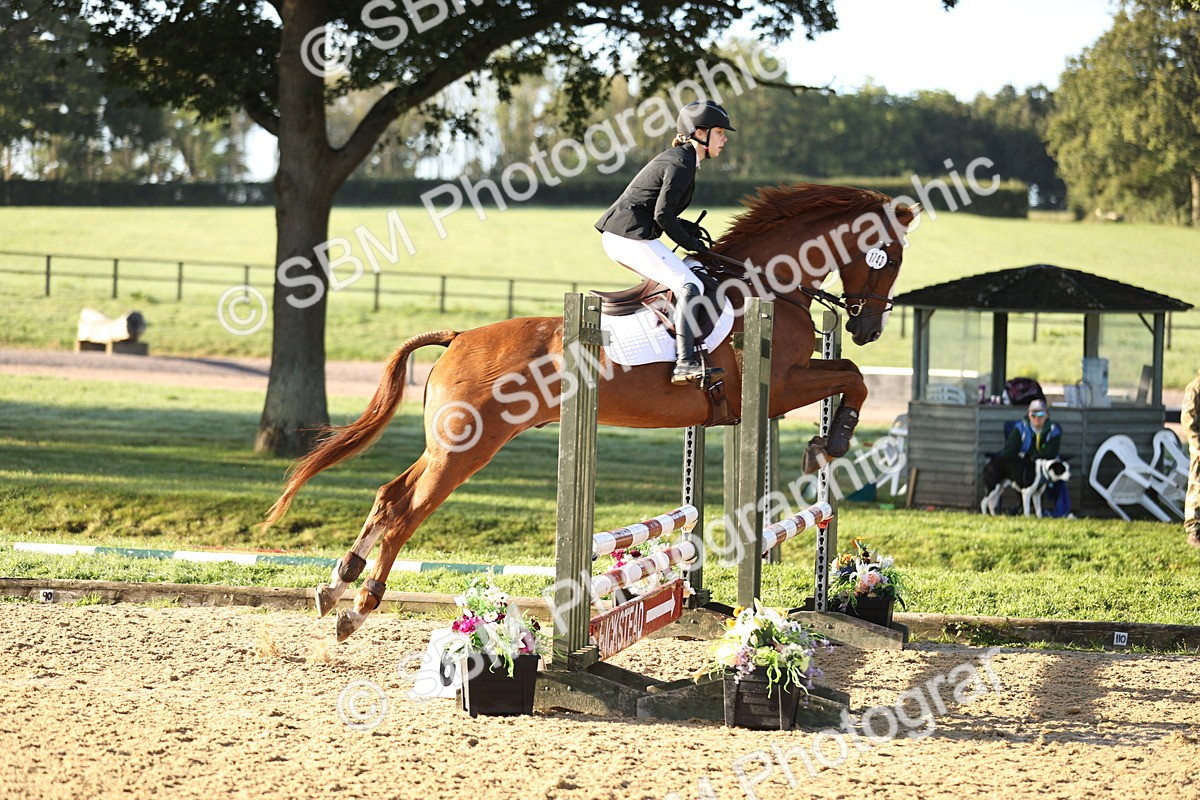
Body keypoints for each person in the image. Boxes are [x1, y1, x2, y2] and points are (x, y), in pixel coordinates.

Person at [595, 99, 733, 385]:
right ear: (699, 132)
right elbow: (663, 214)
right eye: (719, 132)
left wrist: (687, 231)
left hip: (630, 233)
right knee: (689, 284)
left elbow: (660, 212)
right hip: (626, 236)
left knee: (688, 279)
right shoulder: (681, 163)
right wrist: (692, 244)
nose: (725, 138)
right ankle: (684, 363)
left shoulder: (684, 160)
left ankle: (682, 346)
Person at [982, 399, 1068, 515]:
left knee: (1060, 479)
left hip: (1045, 467)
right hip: (1025, 468)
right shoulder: (1020, 428)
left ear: (1047, 415)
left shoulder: (1053, 431)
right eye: (1033, 414)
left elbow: (1050, 452)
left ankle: (1060, 513)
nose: (1037, 418)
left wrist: (1032, 456)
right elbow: (1010, 450)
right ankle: (1015, 509)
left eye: (1041, 414)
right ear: (1028, 414)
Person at [1183, 370, 1200, 548]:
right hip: (1199, 446)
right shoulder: (1195, 389)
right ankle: (1194, 530)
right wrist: (1197, 445)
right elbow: (1187, 420)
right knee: (1197, 486)